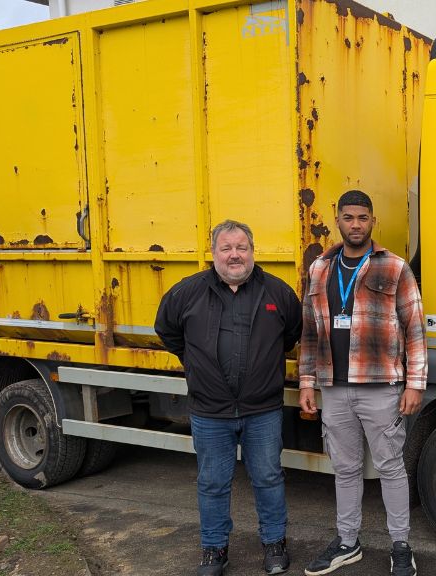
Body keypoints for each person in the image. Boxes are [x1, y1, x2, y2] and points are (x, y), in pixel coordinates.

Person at [154, 220, 303, 576]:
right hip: (210, 411)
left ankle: (274, 543)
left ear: (253, 251)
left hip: (262, 409)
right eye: (226, 248)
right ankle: (214, 549)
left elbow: (292, 334)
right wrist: (195, 361)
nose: (234, 255)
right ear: (213, 253)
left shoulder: (278, 293)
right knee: (212, 482)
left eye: (242, 247)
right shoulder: (185, 293)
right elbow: (168, 331)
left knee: (268, 477)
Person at [298, 190, 426, 576]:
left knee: (390, 468)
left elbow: (415, 328)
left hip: (380, 385)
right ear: (337, 220)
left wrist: (415, 384)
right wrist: (307, 382)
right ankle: (347, 541)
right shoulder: (319, 268)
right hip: (334, 387)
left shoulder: (395, 268)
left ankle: (401, 545)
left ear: (373, 222)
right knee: (346, 468)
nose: (355, 224)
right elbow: (309, 331)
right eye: (348, 217)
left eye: (362, 218)